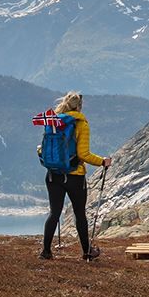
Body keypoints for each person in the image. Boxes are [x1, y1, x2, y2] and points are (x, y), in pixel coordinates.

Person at [41, 92, 109, 262]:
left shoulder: (54, 122)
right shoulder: (81, 124)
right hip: (74, 177)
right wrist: (102, 161)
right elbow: (83, 154)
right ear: (80, 106)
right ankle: (87, 251)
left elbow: (43, 148)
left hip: (53, 175)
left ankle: (46, 252)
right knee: (80, 214)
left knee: (54, 213)